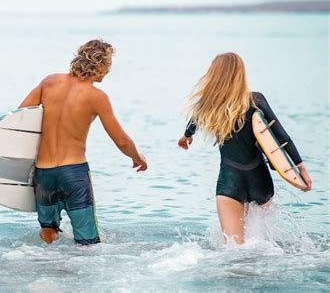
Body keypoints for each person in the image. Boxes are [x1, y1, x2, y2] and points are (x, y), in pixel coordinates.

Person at [19, 39, 148, 245]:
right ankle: (79, 275)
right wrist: (137, 157)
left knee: (48, 232)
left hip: (44, 173)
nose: (108, 72)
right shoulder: (97, 97)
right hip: (74, 174)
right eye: (108, 66)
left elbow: (20, 117)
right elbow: (121, 140)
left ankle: (47, 272)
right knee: (87, 243)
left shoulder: (49, 82)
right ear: (100, 65)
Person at [177, 52, 312, 244]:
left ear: (213, 75)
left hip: (230, 182)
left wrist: (186, 137)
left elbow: (193, 123)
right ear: (240, 74)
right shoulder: (256, 100)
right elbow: (282, 136)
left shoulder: (208, 105)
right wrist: (301, 169)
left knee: (234, 249)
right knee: (258, 244)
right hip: (260, 180)